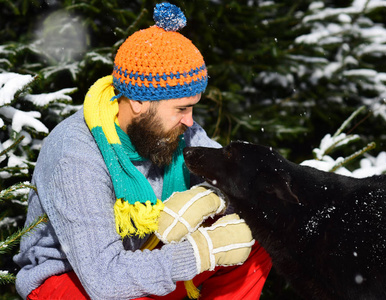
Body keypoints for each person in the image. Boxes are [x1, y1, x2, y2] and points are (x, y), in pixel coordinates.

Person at [13, 3, 272, 300]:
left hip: (145, 258)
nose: (190, 120)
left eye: (192, 107)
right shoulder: (75, 155)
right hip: (72, 279)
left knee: (256, 239)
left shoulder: (176, 130)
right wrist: (202, 252)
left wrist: (213, 197)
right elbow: (105, 279)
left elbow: (244, 183)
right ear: (138, 102)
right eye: (181, 108)